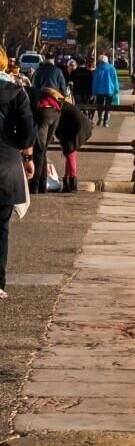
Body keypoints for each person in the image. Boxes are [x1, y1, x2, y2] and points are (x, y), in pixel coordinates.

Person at [0, 49, 37, 300]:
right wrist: (25, 155)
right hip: (6, 162)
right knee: (1, 226)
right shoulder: (16, 92)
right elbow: (27, 132)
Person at [55, 95, 92, 193]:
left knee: (70, 154)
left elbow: (60, 127)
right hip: (80, 127)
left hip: (78, 129)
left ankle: (71, 182)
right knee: (70, 153)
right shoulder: (63, 104)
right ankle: (68, 181)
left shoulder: (58, 107)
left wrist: (63, 144)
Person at [92, 54, 120, 126]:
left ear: (100, 61)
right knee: (108, 106)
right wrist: (116, 90)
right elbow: (115, 80)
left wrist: (94, 92)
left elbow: (95, 81)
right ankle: (106, 121)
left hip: (99, 90)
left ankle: (100, 117)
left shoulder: (98, 69)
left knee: (100, 105)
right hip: (109, 90)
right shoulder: (112, 68)